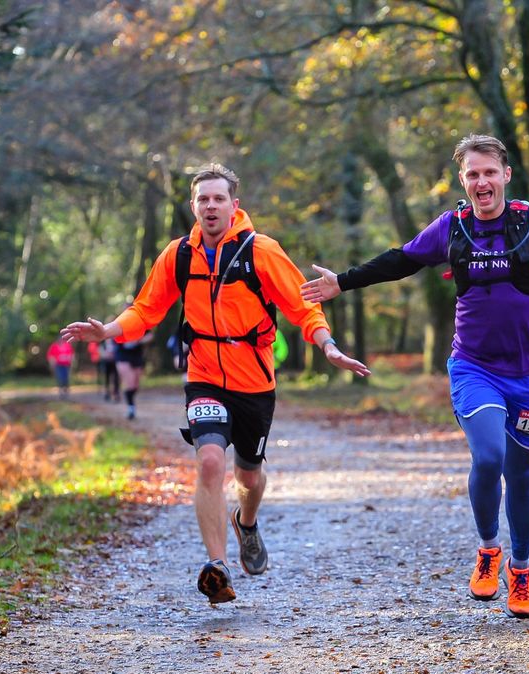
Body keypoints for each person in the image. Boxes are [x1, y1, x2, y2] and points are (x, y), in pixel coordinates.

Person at [302, 134, 529, 619]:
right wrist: (342, 282)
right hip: (474, 367)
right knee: (490, 454)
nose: (481, 182)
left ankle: (520, 570)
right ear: (463, 181)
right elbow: (402, 260)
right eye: (472, 174)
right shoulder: (451, 229)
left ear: (506, 175)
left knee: (521, 472)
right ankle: (489, 548)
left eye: (489, 172)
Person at [60, 163, 369, 605]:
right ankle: (218, 566)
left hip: (255, 381)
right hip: (203, 374)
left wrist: (328, 346)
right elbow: (146, 309)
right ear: (193, 206)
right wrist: (108, 331)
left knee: (249, 474)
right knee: (208, 461)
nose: (210, 206)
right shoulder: (178, 255)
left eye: (218, 198)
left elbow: (303, 307)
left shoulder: (261, 251)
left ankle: (246, 522)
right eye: (202, 199)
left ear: (233, 205)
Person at [115, 328, 154, 419]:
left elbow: (150, 336)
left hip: (137, 357)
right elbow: (127, 344)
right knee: (130, 384)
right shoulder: (121, 325)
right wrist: (138, 340)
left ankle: (130, 403)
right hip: (123, 357)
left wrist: (139, 340)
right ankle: (131, 408)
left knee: (135, 386)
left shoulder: (142, 323)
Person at [98, 337, 119, 401]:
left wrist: (113, 355)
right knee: (107, 378)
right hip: (106, 362)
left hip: (114, 362)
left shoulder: (115, 342)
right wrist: (105, 355)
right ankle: (107, 392)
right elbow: (100, 351)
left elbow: (118, 350)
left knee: (115, 378)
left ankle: (116, 393)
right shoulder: (103, 343)